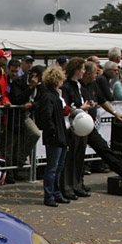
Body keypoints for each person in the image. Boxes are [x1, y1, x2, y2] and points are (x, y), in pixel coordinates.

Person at [33, 66, 68, 207]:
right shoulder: (49, 96)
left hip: (59, 133)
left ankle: (55, 193)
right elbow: (46, 116)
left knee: (58, 167)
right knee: (53, 167)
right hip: (55, 134)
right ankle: (50, 195)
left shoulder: (54, 95)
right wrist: (52, 131)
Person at [60, 57, 90, 200]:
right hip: (71, 126)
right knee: (70, 158)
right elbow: (66, 107)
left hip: (82, 126)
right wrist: (80, 108)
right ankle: (67, 187)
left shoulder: (79, 85)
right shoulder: (66, 86)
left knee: (79, 156)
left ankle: (77, 184)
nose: (84, 71)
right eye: (83, 68)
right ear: (77, 69)